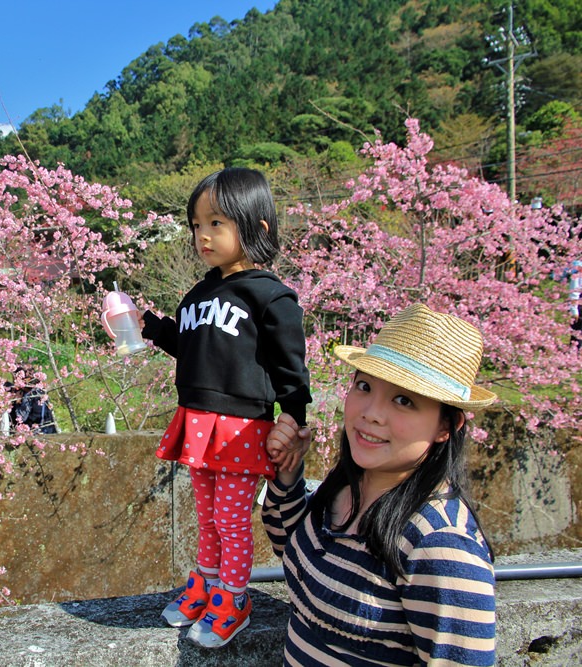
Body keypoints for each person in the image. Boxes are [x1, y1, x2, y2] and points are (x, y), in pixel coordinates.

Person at [263, 303, 497, 666]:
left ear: (445, 427)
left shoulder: (441, 545)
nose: (371, 412)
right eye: (364, 386)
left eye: (403, 400)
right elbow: (295, 550)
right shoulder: (348, 487)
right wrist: (289, 472)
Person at [140, 167, 312, 648]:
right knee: (208, 515)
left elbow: (290, 368)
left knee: (233, 520)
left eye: (216, 222)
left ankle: (234, 598)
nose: (203, 235)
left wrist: (293, 418)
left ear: (256, 227)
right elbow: (191, 346)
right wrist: (150, 325)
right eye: (197, 225)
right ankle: (207, 585)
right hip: (197, 420)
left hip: (240, 426)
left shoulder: (270, 296)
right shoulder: (198, 293)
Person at [6, 369, 58, 434]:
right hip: (47, 429)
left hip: (38, 431)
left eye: (16, 380)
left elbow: (22, 417)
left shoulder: (30, 395)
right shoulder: (40, 393)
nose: (15, 382)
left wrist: (17, 404)